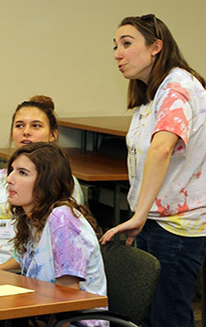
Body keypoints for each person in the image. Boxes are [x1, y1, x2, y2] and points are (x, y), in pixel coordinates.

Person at [100, 14, 206, 327]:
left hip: (176, 224)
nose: (118, 53)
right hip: (156, 217)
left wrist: (138, 214)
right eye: (115, 46)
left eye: (127, 43)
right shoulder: (152, 92)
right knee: (149, 315)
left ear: (156, 47)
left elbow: (161, 149)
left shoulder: (177, 88)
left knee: (168, 315)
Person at [0, 95, 84, 268]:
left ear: (53, 135)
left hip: (20, 272)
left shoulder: (62, 182)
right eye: (19, 125)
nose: (26, 132)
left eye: (36, 126)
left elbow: (40, 250)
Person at [4, 142, 106, 327]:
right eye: (12, 170)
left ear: (46, 182)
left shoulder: (62, 218)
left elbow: (68, 295)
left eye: (22, 173)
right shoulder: (32, 220)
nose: (9, 179)